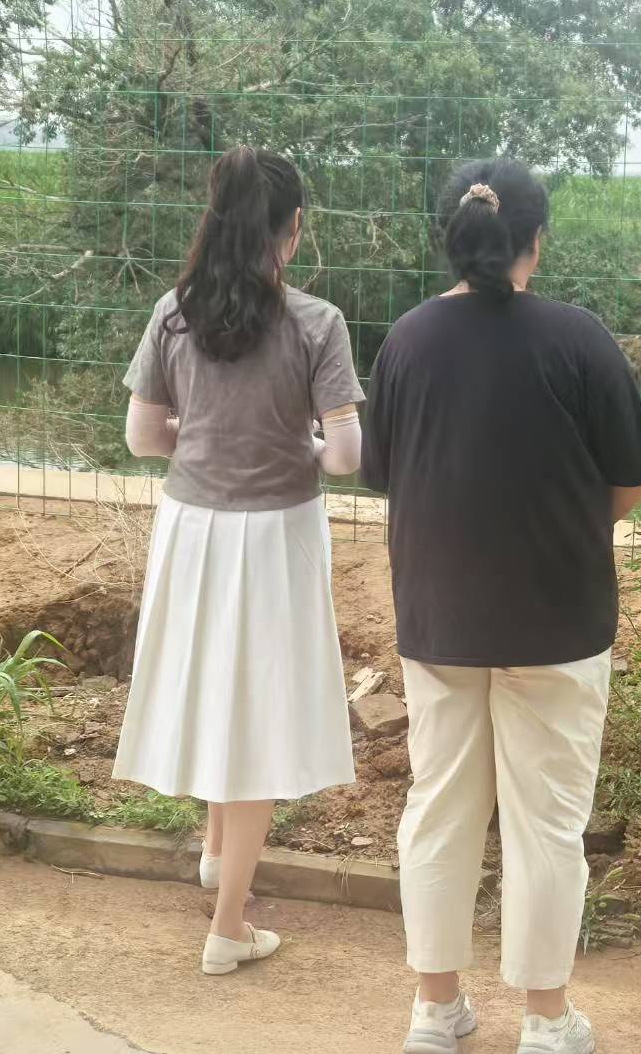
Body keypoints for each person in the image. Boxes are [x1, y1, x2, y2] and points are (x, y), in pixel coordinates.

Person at [363, 160, 641, 1054]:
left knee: (439, 806)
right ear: (538, 240)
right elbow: (629, 483)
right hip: (558, 619)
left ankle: (436, 1010)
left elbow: (389, 473)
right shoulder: (579, 339)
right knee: (548, 822)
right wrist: (563, 524)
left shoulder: (407, 341)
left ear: (448, 239)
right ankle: (546, 1021)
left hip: (439, 616)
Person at [113, 145, 365, 976]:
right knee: (258, 717)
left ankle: (217, 851)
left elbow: (141, 436)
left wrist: (203, 438)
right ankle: (228, 926)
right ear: (293, 230)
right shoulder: (318, 322)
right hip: (278, 534)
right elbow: (345, 458)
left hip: (192, 528)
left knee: (214, 686)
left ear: (215, 218)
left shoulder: (172, 314)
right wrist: (303, 441)